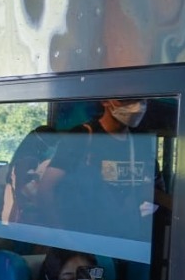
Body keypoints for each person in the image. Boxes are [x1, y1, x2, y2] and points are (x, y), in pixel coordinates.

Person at [37, 99, 162, 240]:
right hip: (89, 238)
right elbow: (46, 189)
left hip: (127, 236)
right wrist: (63, 238)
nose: (137, 107)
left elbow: (145, 190)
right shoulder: (84, 135)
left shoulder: (140, 141)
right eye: (125, 100)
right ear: (106, 101)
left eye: (141, 100)